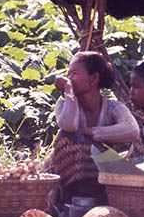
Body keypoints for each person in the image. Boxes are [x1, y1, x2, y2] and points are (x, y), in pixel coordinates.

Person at [48, 51, 139, 205]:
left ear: (93, 79)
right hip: (69, 179)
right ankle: (64, 201)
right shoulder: (64, 104)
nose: (68, 79)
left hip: (101, 178)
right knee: (66, 136)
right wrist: (69, 92)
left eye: (74, 74)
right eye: (68, 74)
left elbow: (132, 130)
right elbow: (69, 125)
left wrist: (93, 132)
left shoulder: (112, 107)